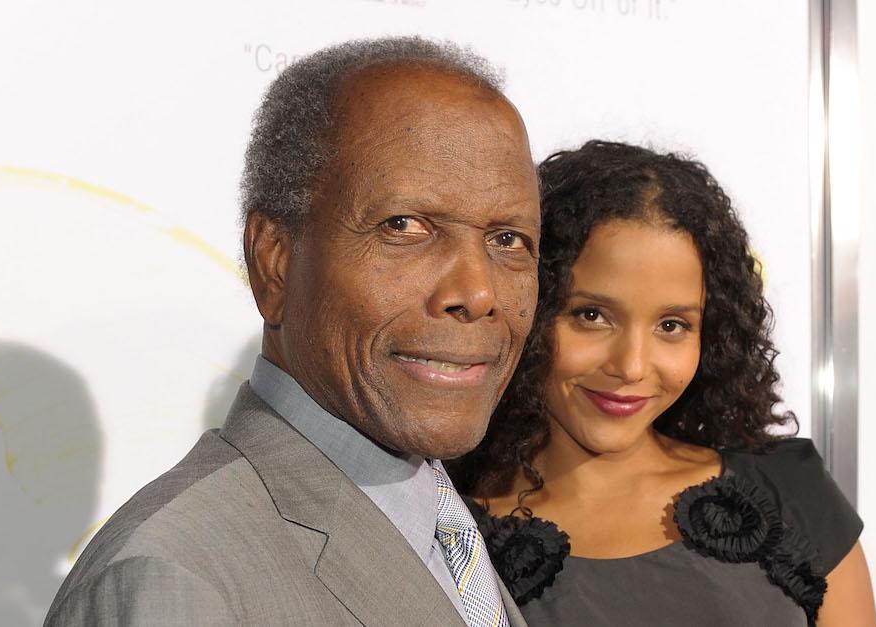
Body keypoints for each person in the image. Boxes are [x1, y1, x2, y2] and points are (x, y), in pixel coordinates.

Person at [46, 37, 540, 626]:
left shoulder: (445, 524)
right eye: (405, 226)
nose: (478, 293)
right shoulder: (174, 576)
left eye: (509, 239)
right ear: (274, 262)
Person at [450, 141, 876, 626]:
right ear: (532, 306)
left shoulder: (791, 494)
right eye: (591, 315)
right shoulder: (450, 533)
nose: (631, 367)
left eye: (671, 326)